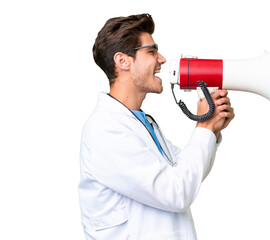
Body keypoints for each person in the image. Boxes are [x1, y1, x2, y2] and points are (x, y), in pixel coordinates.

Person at [78, 13, 234, 240]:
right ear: (123, 61)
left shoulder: (140, 122)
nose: (161, 59)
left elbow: (187, 172)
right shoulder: (106, 130)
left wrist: (212, 129)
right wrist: (205, 129)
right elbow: (177, 192)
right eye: (151, 51)